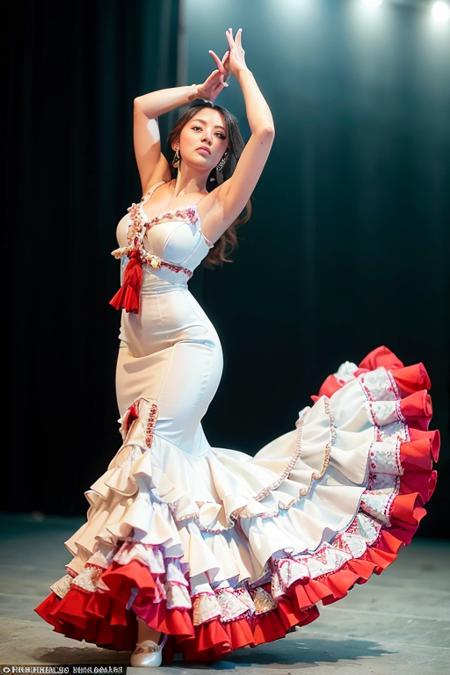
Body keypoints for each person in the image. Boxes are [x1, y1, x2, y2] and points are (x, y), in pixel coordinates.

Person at [34, 27, 440, 668]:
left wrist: (243, 73)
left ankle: (153, 629)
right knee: (176, 479)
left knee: (150, 464)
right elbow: (141, 105)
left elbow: (268, 134)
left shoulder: (215, 203)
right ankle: (186, 604)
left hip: (187, 346)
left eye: (219, 136)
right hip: (132, 352)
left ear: (225, 155)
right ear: (178, 139)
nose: (209, 137)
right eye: (199, 128)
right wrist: (201, 89)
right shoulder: (151, 187)